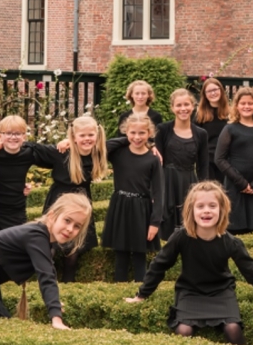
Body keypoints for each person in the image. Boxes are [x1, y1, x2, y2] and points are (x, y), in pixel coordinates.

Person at [125, 181, 253, 345]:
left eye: (212, 206)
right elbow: (159, 265)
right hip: (190, 292)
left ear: (221, 210)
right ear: (191, 211)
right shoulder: (181, 238)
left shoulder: (230, 242)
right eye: (200, 206)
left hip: (221, 292)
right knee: (183, 330)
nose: (206, 211)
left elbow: (252, 272)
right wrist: (141, 295)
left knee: (233, 329)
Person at [0, 193, 92, 328]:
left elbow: (48, 270)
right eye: (67, 220)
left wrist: (53, 302)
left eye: (77, 226)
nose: (70, 229)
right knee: (5, 332)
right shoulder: (37, 236)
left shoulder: (41, 237)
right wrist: (56, 319)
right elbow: (46, 276)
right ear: (52, 216)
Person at [43, 115, 109, 280]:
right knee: (49, 246)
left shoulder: (98, 151)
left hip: (81, 201)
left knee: (73, 249)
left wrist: (151, 146)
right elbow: (31, 148)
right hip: (58, 200)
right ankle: (46, 282)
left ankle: (68, 283)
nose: (87, 139)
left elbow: (126, 140)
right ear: (74, 137)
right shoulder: (61, 153)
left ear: (96, 135)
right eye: (82, 135)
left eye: (90, 135)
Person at [102, 113, 165, 282]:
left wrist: (155, 222)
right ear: (126, 132)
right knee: (120, 254)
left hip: (141, 209)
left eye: (142, 133)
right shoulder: (118, 154)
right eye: (133, 133)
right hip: (120, 206)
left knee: (139, 255)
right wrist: (125, 140)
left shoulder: (152, 159)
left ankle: (140, 293)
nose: (137, 137)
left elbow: (159, 192)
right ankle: (118, 291)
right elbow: (102, 146)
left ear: (149, 133)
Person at [214, 87, 253, 235]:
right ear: (236, 106)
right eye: (243, 103)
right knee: (236, 230)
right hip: (236, 186)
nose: (247, 106)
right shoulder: (230, 129)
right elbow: (219, 158)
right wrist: (241, 182)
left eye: (250, 103)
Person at [156, 89, 210, 241]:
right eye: (178, 105)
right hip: (166, 182)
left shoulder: (201, 133)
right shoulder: (163, 130)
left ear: (193, 106)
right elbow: (156, 162)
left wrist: (204, 189)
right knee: (165, 225)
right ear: (172, 108)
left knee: (188, 223)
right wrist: (154, 189)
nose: (183, 108)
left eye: (186, 104)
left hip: (189, 182)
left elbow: (203, 165)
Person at [195, 78, 231, 182]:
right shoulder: (199, 116)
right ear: (204, 94)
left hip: (226, 161)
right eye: (209, 91)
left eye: (215, 89)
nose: (213, 93)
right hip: (207, 161)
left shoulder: (230, 114)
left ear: (221, 90)